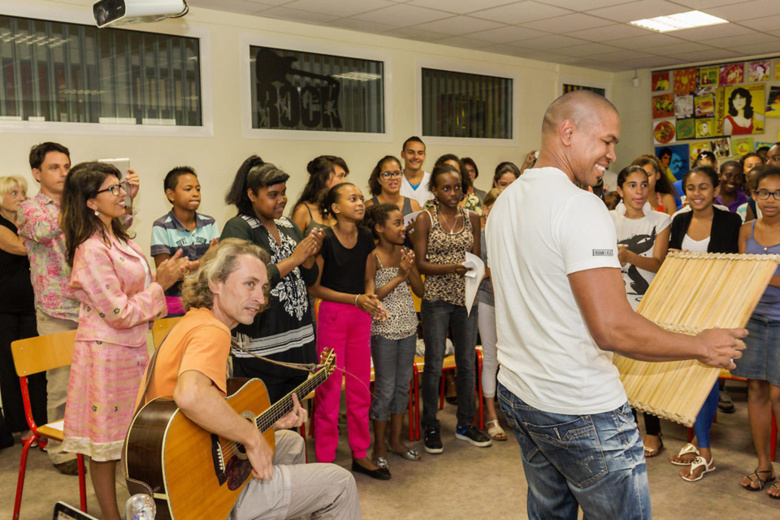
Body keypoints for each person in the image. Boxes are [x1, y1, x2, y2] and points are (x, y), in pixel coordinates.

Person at [486, 90, 746, 519]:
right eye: (606, 141)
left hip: (522, 392)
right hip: (579, 405)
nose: (612, 154)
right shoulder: (580, 206)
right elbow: (613, 328)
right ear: (568, 132)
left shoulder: (506, 202)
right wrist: (701, 345)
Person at [137, 238, 361, 519]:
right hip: (202, 487)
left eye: (263, 287)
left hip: (175, 471)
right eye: (249, 284)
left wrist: (268, 423)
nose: (261, 299)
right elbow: (191, 395)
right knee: (341, 483)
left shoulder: (193, 321)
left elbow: (201, 406)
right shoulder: (213, 331)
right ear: (216, 283)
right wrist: (252, 437)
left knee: (292, 443)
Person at [60, 161, 188, 520]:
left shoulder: (117, 236)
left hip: (131, 351)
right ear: (91, 202)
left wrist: (165, 279)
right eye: (113, 189)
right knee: (105, 446)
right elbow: (118, 312)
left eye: (122, 186)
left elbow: (135, 297)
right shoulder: (90, 249)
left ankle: (142, 511)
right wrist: (160, 285)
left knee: (132, 438)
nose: (123, 193)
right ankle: (112, 517)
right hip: (106, 356)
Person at [17, 142, 138, 475]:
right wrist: (81, 199)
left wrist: (123, 197)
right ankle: (61, 451)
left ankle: (98, 442)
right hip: (57, 309)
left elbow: (117, 228)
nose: (63, 172)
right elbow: (45, 231)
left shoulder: (84, 205)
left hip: (95, 308)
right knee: (61, 383)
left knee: (99, 382)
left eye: (67, 166)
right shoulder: (30, 208)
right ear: (36, 173)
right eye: (54, 167)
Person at [222, 158, 323, 403]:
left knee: (292, 416)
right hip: (262, 349)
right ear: (252, 195)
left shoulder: (288, 225)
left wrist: (310, 254)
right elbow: (246, 281)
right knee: (262, 417)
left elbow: (309, 279)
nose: (281, 200)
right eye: (273, 195)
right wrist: (295, 259)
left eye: (284, 193)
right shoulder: (239, 227)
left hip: (298, 346)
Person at [308, 182, 389, 479]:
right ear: (335, 208)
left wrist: (370, 298)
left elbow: (368, 278)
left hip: (360, 316)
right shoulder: (325, 238)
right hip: (332, 313)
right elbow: (315, 287)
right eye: (352, 198)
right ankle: (326, 461)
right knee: (329, 390)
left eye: (360, 198)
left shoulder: (366, 236)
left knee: (359, 388)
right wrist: (355, 299)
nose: (359, 203)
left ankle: (360, 453)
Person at [666, 166, 742, 482]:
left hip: (716, 308)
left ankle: (705, 452)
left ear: (715, 190)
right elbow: (672, 264)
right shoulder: (679, 220)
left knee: (707, 378)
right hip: (685, 309)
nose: (696, 194)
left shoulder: (730, 221)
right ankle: (698, 441)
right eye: (691, 188)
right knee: (691, 377)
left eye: (703, 187)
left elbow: (734, 267)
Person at [413, 163, 491, 455]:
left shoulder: (472, 217)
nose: (453, 193)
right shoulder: (425, 218)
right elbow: (421, 264)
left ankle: (466, 424)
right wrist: (452, 268)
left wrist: (474, 270)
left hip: (466, 299)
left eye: (457, 187)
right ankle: (430, 425)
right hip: (435, 300)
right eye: (446, 188)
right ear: (434, 190)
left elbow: (476, 258)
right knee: (434, 364)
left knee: (467, 362)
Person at [610, 165, 671, 457]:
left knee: (647, 368)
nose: (639, 191)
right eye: (632, 185)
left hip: (647, 303)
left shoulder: (661, 220)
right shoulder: (607, 219)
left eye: (644, 184)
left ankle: (654, 432)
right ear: (620, 190)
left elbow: (658, 263)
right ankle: (627, 430)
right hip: (614, 302)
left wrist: (629, 256)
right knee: (619, 371)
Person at [364, 204, 424, 467]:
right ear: (379, 228)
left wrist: (410, 269)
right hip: (384, 332)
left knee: (402, 386)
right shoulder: (372, 257)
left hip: (408, 328)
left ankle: (396, 441)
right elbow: (372, 297)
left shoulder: (405, 253)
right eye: (397, 223)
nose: (403, 228)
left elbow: (420, 291)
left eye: (403, 223)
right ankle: (379, 446)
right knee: (385, 388)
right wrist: (400, 276)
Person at [734, 166, 780, 498]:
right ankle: (764, 465)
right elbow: (740, 275)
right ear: (753, 195)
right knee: (756, 391)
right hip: (753, 320)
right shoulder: (745, 230)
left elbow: (752, 275)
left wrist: (760, 275)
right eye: (764, 192)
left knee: (778, 396)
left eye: (778, 193)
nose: (771, 199)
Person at [0, 175, 46, 448]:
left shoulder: (25, 223)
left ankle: (40, 422)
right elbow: (21, 248)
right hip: (4, 309)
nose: (21, 197)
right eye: (13, 193)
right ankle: (20, 426)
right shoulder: (3, 226)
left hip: (31, 306)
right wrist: (34, 232)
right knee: (10, 368)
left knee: (37, 366)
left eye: (23, 192)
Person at [151, 166, 219, 316]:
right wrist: (203, 262)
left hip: (205, 301)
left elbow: (217, 265)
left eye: (198, 189)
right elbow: (166, 274)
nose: (195, 193)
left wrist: (190, 267)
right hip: (174, 304)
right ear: (171, 194)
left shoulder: (209, 223)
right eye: (188, 189)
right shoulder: (161, 226)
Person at [477, 188, 507, 442]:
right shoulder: (480, 237)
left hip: (511, 303)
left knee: (514, 357)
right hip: (487, 300)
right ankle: (491, 416)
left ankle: (515, 411)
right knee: (490, 356)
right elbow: (476, 272)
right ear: (486, 209)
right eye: (496, 207)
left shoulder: (513, 234)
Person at [290, 155, 348, 235]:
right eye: (340, 176)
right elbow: (294, 242)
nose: (345, 181)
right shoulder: (303, 210)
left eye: (344, 176)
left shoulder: (342, 208)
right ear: (322, 178)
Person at [399, 136, 433, 207]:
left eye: (420, 153)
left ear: (424, 156)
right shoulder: (395, 180)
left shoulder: (432, 180)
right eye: (411, 152)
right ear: (403, 154)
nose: (416, 157)